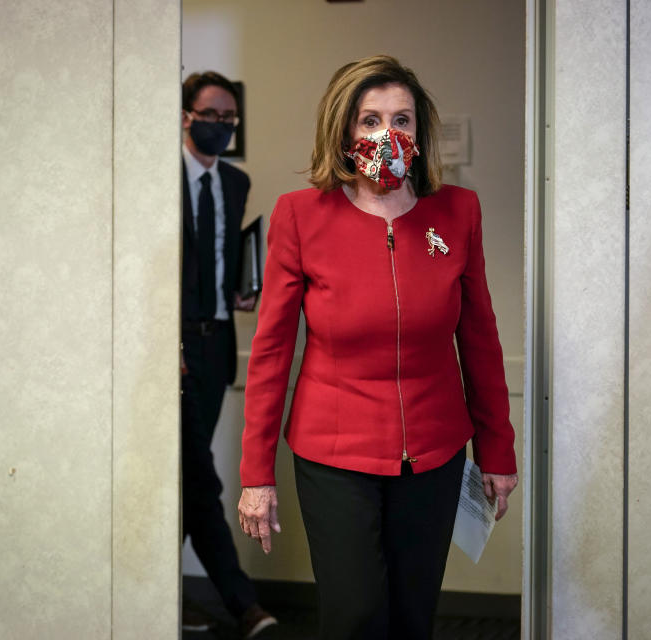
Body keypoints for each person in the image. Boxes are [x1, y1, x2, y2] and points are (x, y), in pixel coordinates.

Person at [236, 55, 518, 640]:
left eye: (402, 119)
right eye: (369, 120)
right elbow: (270, 353)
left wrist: (498, 450)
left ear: (420, 131)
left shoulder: (457, 212)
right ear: (343, 132)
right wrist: (256, 474)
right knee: (356, 616)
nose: (387, 134)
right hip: (334, 454)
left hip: (435, 455)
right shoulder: (301, 215)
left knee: (414, 617)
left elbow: (481, 339)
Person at [179, 71, 277, 638]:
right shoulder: (158, 177)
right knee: (199, 476)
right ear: (186, 116)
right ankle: (243, 604)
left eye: (228, 119)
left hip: (219, 344)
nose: (219, 125)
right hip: (174, 346)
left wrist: (241, 291)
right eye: (209, 115)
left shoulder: (235, 182)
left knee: (187, 475)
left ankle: (161, 597)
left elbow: (221, 259)